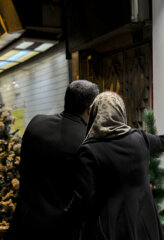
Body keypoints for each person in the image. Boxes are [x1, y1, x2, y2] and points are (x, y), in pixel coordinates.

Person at [66, 91, 164, 240]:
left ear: (95, 114)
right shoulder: (139, 138)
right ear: (120, 112)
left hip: (109, 227)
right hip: (145, 223)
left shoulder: (89, 151)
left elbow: (83, 197)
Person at [6, 80, 99, 240]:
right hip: (59, 231)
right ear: (90, 108)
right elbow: (85, 195)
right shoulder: (87, 141)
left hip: (23, 225)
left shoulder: (36, 123)